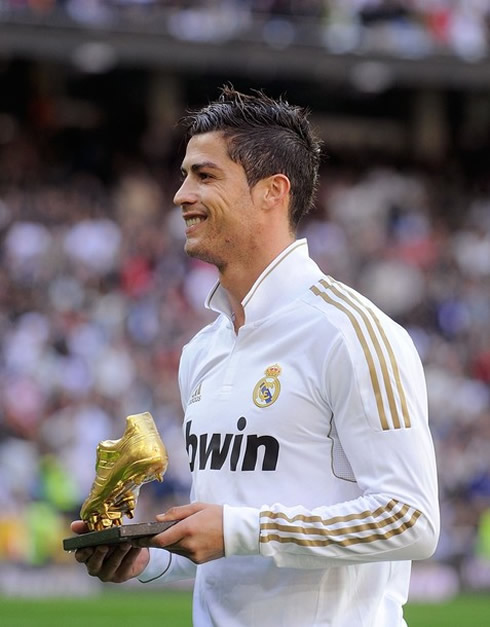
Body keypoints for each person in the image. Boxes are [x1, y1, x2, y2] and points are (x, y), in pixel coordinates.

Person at [72, 86, 440, 626]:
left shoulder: (352, 332)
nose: (180, 195)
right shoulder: (202, 351)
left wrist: (243, 528)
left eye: (205, 175)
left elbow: (412, 521)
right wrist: (146, 560)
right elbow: (234, 544)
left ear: (273, 191)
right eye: (184, 175)